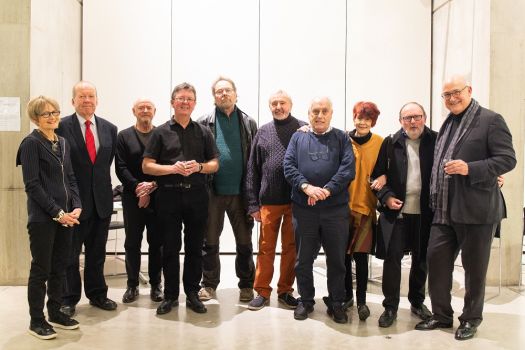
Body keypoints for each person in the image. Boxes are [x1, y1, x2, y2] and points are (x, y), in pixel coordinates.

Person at [415, 74, 516, 340]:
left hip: (476, 210)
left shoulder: (491, 120)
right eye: (446, 95)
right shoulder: (448, 123)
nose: (451, 98)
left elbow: (507, 159)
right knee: (436, 264)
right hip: (444, 209)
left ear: (469, 90)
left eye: (456, 92)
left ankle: (471, 318)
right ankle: (441, 314)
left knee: (474, 271)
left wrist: (470, 168)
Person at [143, 82, 219, 315]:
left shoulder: (204, 132)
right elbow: (147, 166)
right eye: (180, 98)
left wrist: (198, 166)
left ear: (194, 104)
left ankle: (193, 294)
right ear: (172, 102)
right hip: (168, 196)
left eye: (189, 99)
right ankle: (170, 296)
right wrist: (172, 169)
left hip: (197, 196)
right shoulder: (160, 132)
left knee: (196, 247)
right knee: (170, 248)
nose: (185, 102)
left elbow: (215, 164)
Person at [283, 97, 355, 324]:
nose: (320, 115)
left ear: (331, 113)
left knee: (336, 260)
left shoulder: (342, 138)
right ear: (309, 113)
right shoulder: (298, 137)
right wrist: (306, 187)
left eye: (324, 111)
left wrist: (326, 190)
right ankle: (306, 300)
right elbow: (289, 166)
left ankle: (336, 302)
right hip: (305, 210)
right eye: (316, 111)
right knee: (303, 259)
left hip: (335, 210)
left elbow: (347, 169)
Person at [16, 96, 82, 339]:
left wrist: (77, 206)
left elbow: (71, 179)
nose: (52, 117)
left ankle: (55, 312)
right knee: (41, 269)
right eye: (46, 114)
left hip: (67, 218)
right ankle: (36, 320)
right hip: (43, 219)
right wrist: (58, 213)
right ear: (35, 118)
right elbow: (32, 185)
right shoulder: (31, 144)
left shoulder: (62, 142)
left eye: (55, 112)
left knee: (60, 268)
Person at [56, 81, 118, 316]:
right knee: (70, 254)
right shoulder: (61, 128)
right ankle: (68, 298)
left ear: (97, 100)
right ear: (73, 101)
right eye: (81, 96)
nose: (87, 100)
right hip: (73, 204)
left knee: (97, 253)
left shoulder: (109, 129)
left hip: (101, 202)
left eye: (91, 96)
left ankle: (97, 294)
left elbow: (104, 165)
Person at [373, 102, 436, 328]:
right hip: (397, 213)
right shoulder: (390, 143)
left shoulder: (436, 141)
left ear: (424, 118)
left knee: (421, 260)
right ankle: (390, 306)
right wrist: (387, 197)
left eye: (417, 117)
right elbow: (377, 177)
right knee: (392, 261)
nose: (412, 122)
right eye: (407, 118)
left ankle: (417, 303)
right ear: (400, 121)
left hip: (425, 213)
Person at [198, 76, 258, 302]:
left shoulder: (248, 122)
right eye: (219, 92)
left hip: (242, 193)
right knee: (210, 242)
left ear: (235, 94)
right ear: (214, 96)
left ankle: (246, 285)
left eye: (227, 91)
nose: (224, 95)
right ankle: (210, 285)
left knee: (244, 242)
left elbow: (254, 159)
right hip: (212, 192)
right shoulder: (204, 122)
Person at [245, 90, 306, 311]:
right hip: (269, 201)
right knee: (265, 248)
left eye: (282, 103)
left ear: (290, 104)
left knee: (291, 248)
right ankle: (261, 291)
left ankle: (285, 290)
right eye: (274, 103)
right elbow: (252, 169)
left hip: (295, 201)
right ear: (270, 107)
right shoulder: (262, 132)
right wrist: (252, 204)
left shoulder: (303, 128)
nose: (278, 107)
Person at [115, 99, 163, 303]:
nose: (145, 110)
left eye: (148, 108)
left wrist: (151, 187)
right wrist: (138, 188)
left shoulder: (162, 134)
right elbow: (120, 167)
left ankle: (155, 285)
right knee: (132, 243)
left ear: (154, 111)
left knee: (156, 242)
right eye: (140, 108)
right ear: (133, 111)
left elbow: (167, 164)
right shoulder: (123, 136)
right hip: (131, 197)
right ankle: (132, 285)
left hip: (158, 196)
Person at [341, 101, 384, 321]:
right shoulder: (342, 140)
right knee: (344, 257)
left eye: (367, 119)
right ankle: (347, 296)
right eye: (359, 117)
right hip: (342, 208)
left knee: (361, 257)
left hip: (366, 208)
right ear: (353, 117)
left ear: (373, 121)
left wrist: (384, 177)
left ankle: (362, 301)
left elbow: (387, 168)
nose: (362, 122)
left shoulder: (380, 142)